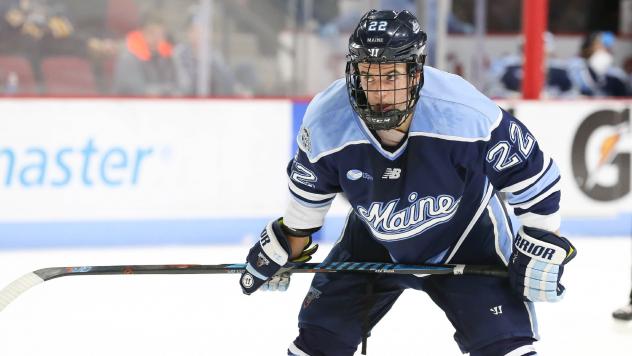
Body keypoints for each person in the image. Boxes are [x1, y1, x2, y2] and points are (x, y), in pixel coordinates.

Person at [239, 10, 576, 356]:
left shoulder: (462, 111)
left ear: (415, 74)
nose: (378, 90)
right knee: (318, 344)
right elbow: (303, 215)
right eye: (368, 75)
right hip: (371, 240)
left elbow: (535, 177)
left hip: (466, 238)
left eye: (390, 76)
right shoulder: (327, 120)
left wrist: (541, 239)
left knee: (507, 347)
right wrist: (282, 246)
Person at [112, 11, 177, 96]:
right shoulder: (128, 59)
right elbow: (140, 91)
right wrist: (167, 90)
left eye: (160, 34)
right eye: (152, 33)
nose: (156, 39)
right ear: (141, 32)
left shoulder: (164, 57)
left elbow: (177, 86)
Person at [567, 31, 632, 97]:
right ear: (588, 47)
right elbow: (579, 87)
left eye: (606, 47)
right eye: (599, 45)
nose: (604, 49)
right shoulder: (575, 65)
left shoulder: (616, 73)